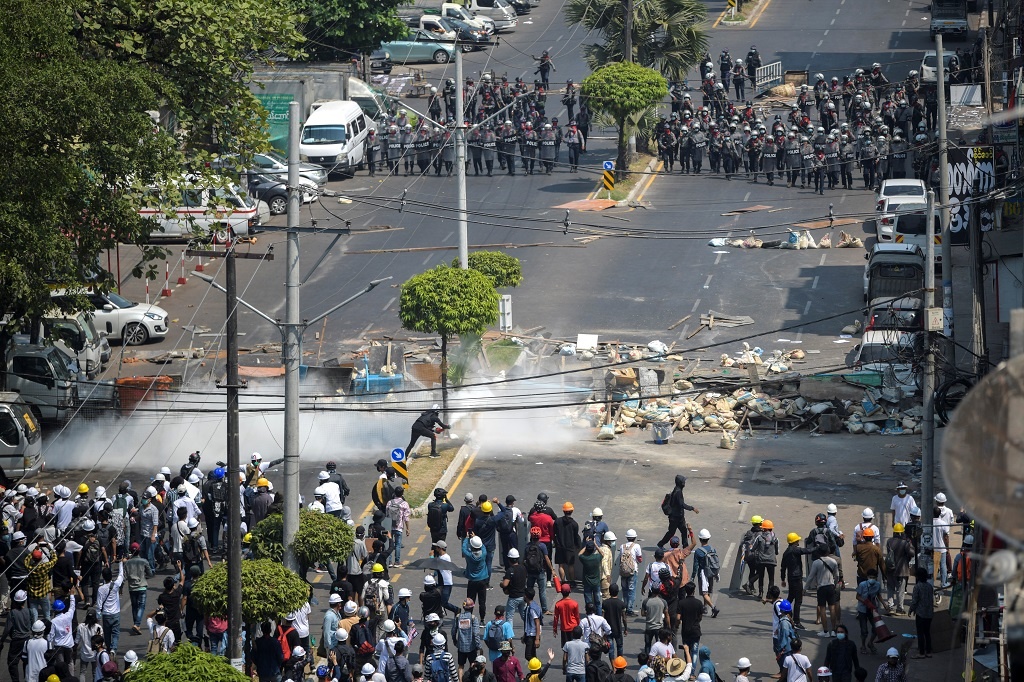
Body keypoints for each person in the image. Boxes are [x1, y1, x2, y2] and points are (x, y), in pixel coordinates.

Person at [780, 532, 813, 629]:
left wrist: (783, 579)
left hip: (790, 577)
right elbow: (807, 550)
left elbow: (783, 567)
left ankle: (785, 614)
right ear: (794, 541)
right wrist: (819, 548)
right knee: (798, 600)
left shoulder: (786, 552)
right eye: (797, 540)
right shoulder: (796, 550)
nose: (798, 541)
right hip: (797, 577)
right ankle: (796, 621)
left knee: (791, 597)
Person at [805, 548, 840, 638]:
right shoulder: (833, 561)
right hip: (831, 586)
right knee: (832, 609)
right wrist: (835, 583)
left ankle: (825, 631)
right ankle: (834, 630)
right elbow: (837, 575)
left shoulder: (816, 563)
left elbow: (811, 576)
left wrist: (805, 588)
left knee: (822, 609)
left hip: (821, 588)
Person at [96, 556, 128, 654]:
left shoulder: (101, 589)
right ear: (111, 576)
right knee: (115, 633)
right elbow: (121, 575)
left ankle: (109, 648)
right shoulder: (116, 585)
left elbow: (99, 604)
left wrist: (98, 616)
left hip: (106, 614)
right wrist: (121, 563)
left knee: (107, 633)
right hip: (115, 613)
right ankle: (114, 649)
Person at [658, 476, 699, 548]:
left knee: (684, 531)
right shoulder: (678, 492)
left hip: (679, 517)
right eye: (683, 481)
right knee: (671, 532)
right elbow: (682, 504)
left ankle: (685, 547)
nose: (684, 483)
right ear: (681, 483)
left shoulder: (677, 489)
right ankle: (660, 544)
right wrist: (692, 508)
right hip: (675, 517)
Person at [884, 525, 913, 614]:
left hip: (890, 569)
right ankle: (900, 608)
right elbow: (912, 553)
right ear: (901, 533)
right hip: (901, 570)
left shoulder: (889, 541)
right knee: (900, 590)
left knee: (890, 588)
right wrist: (909, 544)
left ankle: (890, 607)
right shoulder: (905, 543)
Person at [692, 529, 720, 618]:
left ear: (700, 539)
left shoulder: (698, 551)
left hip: (703, 573)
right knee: (708, 591)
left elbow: (695, 565)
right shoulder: (712, 549)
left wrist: (693, 576)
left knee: (704, 592)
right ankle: (705, 607)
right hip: (711, 572)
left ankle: (713, 607)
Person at [907, 568, 933, 659]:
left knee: (920, 633)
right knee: (927, 633)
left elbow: (915, 601)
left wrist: (911, 610)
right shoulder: (929, 586)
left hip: (920, 613)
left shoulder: (917, 587)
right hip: (929, 613)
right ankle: (928, 651)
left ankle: (921, 652)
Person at [855, 570, 883, 654]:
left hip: (872, 609)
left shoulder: (877, 585)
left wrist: (884, 604)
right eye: (870, 577)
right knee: (864, 630)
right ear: (867, 577)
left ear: (876, 578)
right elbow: (857, 596)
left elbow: (878, 595)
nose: (872, 579)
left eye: (873, 578)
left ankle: (870, 643)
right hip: (863, 609)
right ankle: (863, 645)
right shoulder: (862, 585)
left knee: (876, 628)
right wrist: (865, 602)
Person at [464, 535, 491, 618]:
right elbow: (483, 547)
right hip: (482, 580)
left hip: (472, 580)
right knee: (482, 602)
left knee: (470, 600)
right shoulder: (483, 554)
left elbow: (464, 548)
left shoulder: (469, 555)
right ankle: (482, 619)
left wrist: (466, 538)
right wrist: (475, 537)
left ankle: (468, 617)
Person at [618, 530, 643, 615]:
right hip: (632, 571)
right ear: (635, 537)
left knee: (625, 590)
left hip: (623, 571)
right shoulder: (637, 546)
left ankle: (624, 608)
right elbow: (640, 559)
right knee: (631, 590)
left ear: (627, 537)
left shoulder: (622, 546)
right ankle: (629, 609)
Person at [578, 541, 603, 615]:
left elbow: (579, 554)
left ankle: (589, 616)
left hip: (587, 583)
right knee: (597, 602)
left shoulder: (585, 559)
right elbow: (602, 553)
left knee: (588, 602)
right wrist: (595, 544)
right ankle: (599, 616)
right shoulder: (597, 557)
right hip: (596, 583)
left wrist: (586, 545)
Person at [601, 585, 626, 660]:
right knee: (620, 647)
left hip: (608, 630)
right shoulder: (621, 603)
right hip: (618, 629)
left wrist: (603, 630)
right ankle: (619, 663)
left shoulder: (605, 603)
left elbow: (602, 618)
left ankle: (613, 665)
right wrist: (625, 628)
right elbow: (624, 618)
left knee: (611, 649)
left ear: (609, 591)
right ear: (617, 592)